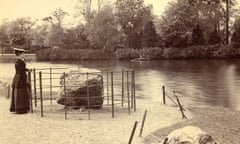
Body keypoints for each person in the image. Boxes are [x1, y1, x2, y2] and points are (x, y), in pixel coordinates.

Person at [10, 47, 30, 114]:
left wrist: (28, 70)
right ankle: (21, 109)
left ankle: (18, 108)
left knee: (19, 93)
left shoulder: (18, 61)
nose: (24, 54)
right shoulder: (20, 61)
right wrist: (26, 80)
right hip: (20, 78)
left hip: (17, 77)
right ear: (20, 54)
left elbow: (22, 69)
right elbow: (21, 71)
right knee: (21, 93)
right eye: (23, 53)